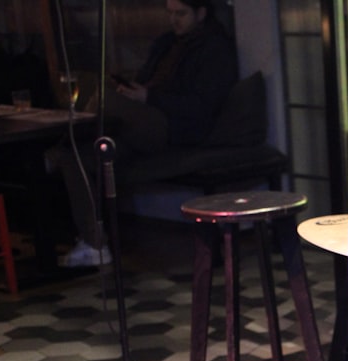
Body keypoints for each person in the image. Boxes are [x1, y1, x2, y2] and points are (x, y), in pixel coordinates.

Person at [52, 0, 239, 267]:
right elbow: (146, 79)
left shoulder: (214, 49)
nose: (174, 20)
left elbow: (202, 105)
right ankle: (94, 243)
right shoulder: (166, 42)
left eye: (181, 13)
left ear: (201, 13)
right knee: (76, 157)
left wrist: (148, 97)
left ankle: (58, 140)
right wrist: (132, 90)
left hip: (176, 126)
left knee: (103, 101)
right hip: (143, 121)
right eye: (170, 13)